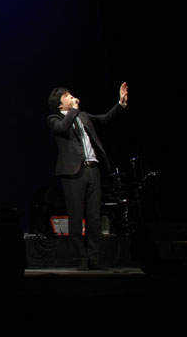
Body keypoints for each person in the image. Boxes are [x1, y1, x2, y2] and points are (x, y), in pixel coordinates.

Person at [47, 82, 128, 271]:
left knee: (94, 216)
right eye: (67, 96)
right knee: (76, 217)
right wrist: (74, 110)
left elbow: (105, 119)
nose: (72, 96)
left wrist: (121, 103)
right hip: (72, 173)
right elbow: (62, 128)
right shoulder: (54, 118)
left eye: (71, 94)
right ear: (60, 104)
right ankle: (81, 259)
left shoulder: (83, 116)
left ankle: (94, 258)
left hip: (93, 169)